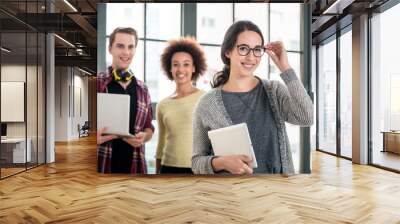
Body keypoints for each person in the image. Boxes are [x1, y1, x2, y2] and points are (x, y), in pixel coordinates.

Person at [191, 20, 313, 175]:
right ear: (227, 52)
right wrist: (220, 162)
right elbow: (196, 163)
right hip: (232, 195)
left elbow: (306, 117)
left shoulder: (274, 91)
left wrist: (285, 68)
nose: (251, 57)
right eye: (243, 48)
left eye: (257, 50)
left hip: (277, 193)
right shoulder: (207, 104)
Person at [97, 27, 154, 174]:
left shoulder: (143, 89)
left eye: (131, 47)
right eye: (120, 46)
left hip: (135, 166)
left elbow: (149, 128)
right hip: (103, 165)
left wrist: (144, 137)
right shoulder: (97, 83)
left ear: (135, 50)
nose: (126, 52)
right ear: (110, 49)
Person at [156, 37, 207, 174]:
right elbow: (161, 143)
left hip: (197, 167)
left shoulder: (205, 98)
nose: (180, 69)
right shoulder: (163, 104)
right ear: (170, 68)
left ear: (194, 68)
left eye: (186, 64)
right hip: (168, 167)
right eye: (176, 64)